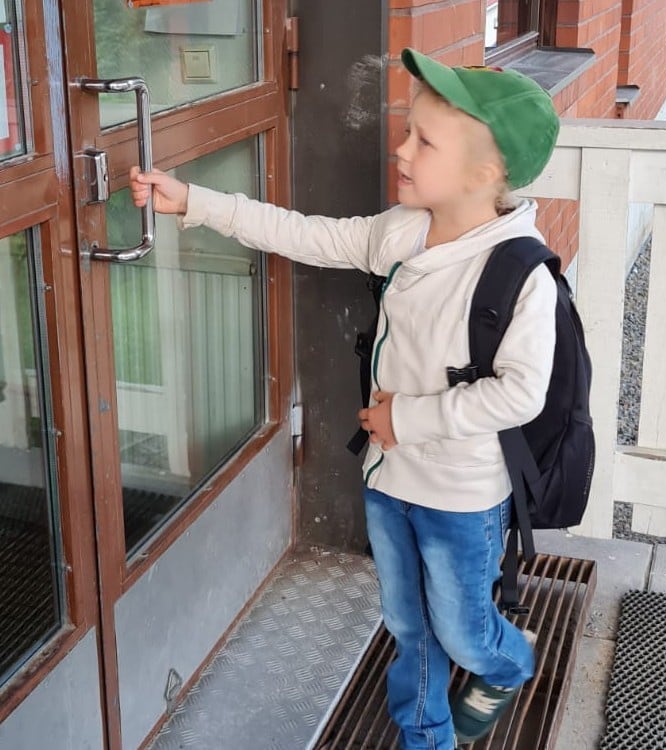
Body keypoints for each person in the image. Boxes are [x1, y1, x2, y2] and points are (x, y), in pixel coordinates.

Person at [130, 47, 560, 750]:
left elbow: (520, 394)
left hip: (460, 495)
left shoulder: (520, 274)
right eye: (408, 131)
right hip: (389, 479)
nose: (401, 148)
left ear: (486, 174)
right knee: (408, 625)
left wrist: (405, 418)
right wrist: (197, 203)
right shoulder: (402, 230)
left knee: (463, 631)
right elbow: (308, 234)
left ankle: (508, 662)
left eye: (424, 141)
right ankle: (425, 735)